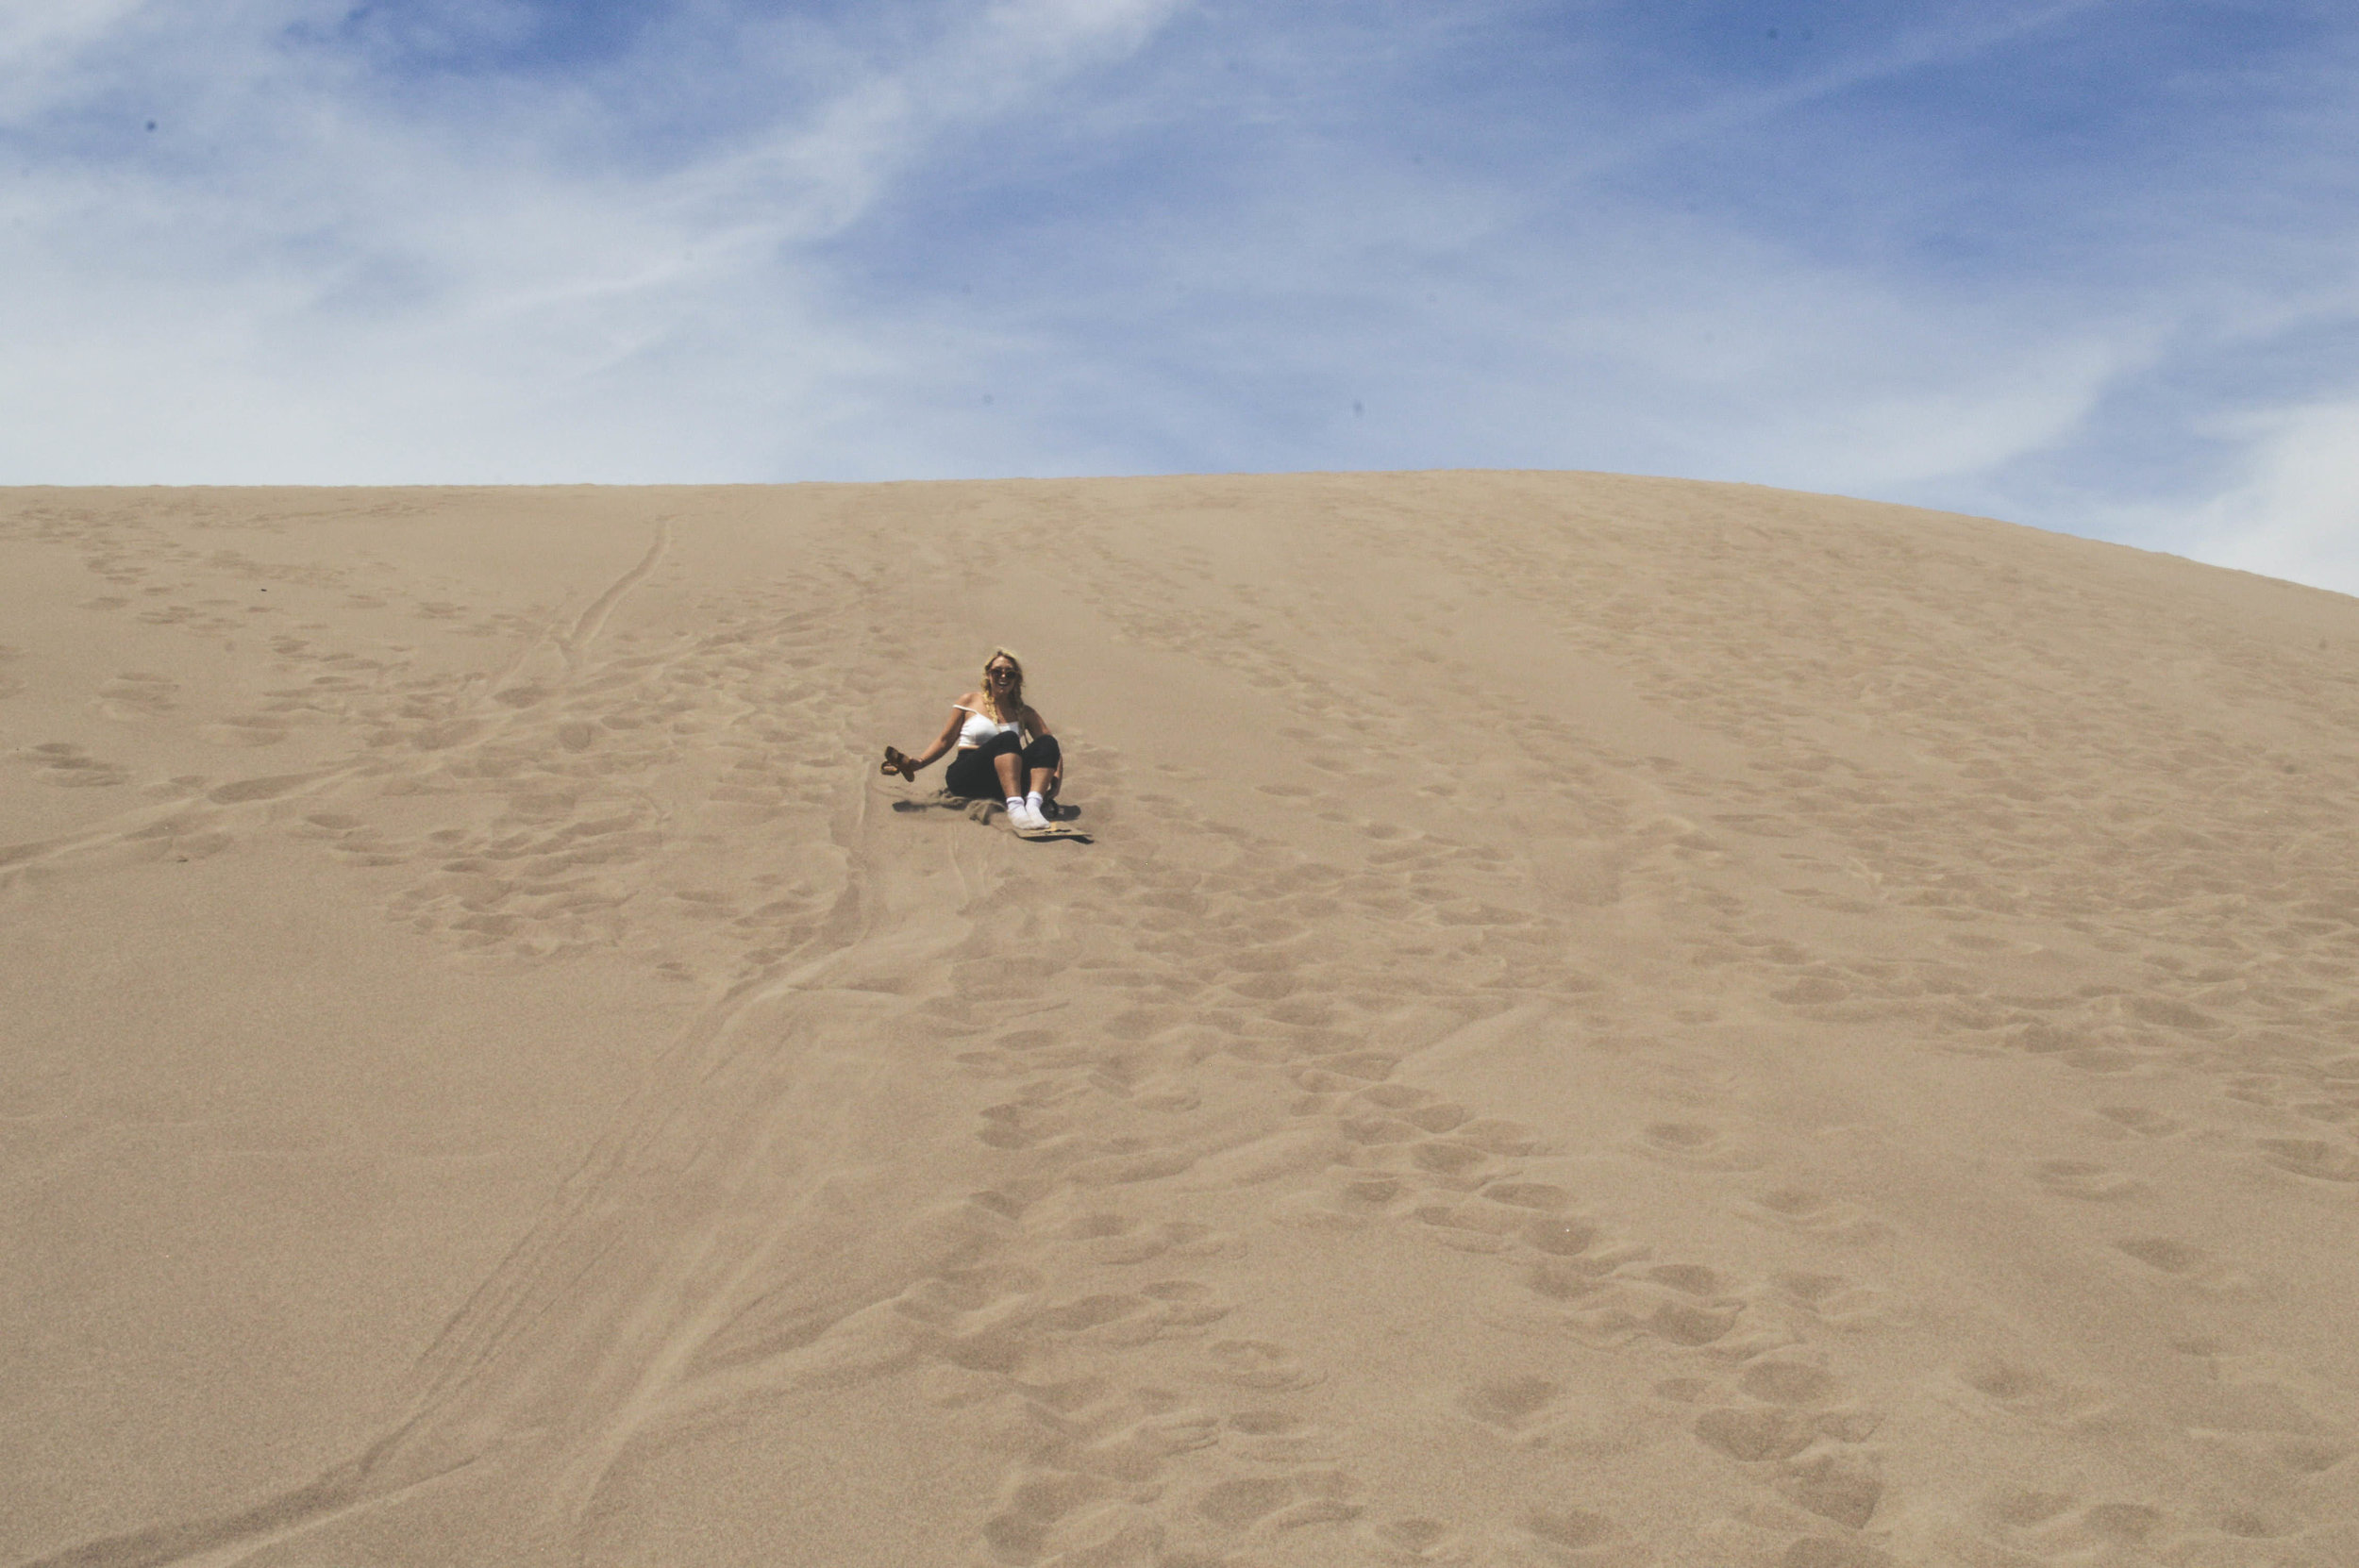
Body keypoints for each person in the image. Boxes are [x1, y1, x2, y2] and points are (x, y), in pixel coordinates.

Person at [881, 648, 1063, 830]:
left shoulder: (1025, 712)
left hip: (1005, 782)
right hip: (968, 776)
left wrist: (1056, 780)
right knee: (1007, 738)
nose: (1003, 676)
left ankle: (1033, 806)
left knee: (1047, 742)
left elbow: (1050, 749)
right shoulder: (969, 701)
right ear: (987, 674)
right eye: (997, 671)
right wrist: (919, 763)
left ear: (1017, 679)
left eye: (1010, 673)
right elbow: (945, 740)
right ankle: (1016, 809)